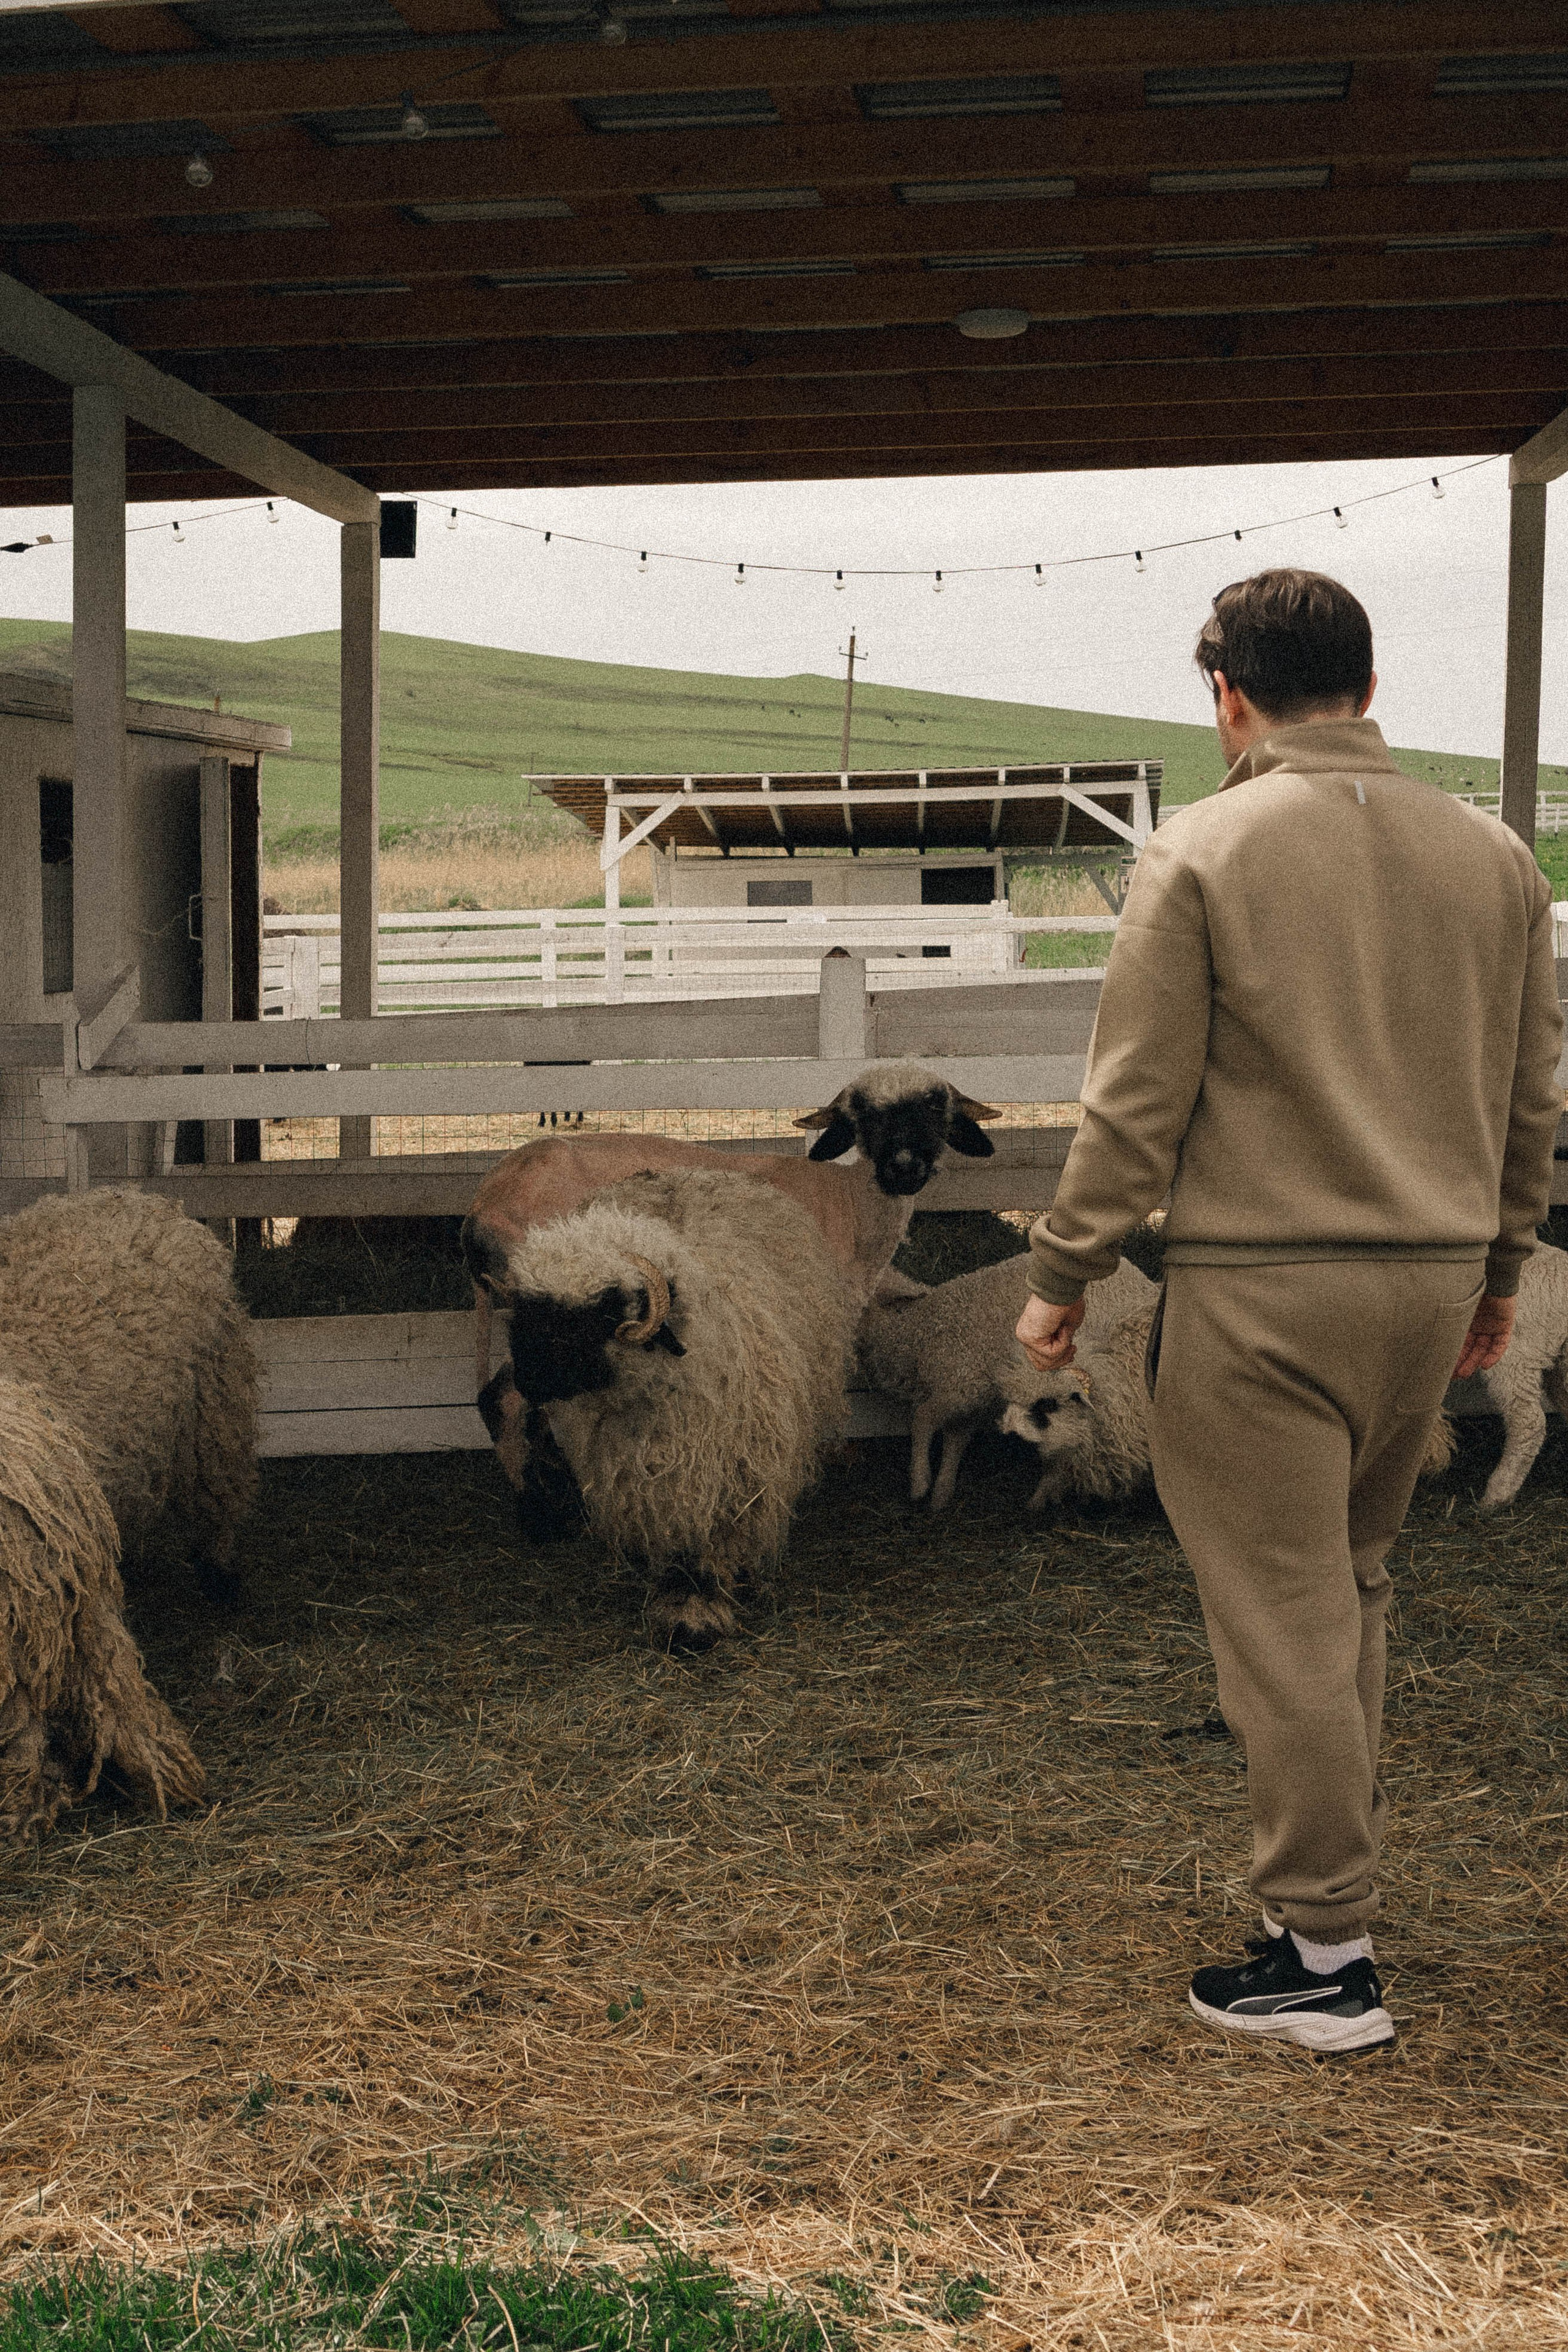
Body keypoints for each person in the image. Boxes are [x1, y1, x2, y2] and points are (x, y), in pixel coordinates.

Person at [1016, 568, 1562, 2052]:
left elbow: (1134, 1103)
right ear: (1368, 689)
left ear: (1227, 695)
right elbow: (1531, 1099)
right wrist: (1502, 1270)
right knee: (1352, 1585)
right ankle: (1315, 1915)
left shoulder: (1201, 848)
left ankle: (1324, 1957)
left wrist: (1061, 1278)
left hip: (1264, 1290)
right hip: (1428, 1282)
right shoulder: (1495, 858)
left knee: (1281, 1614)